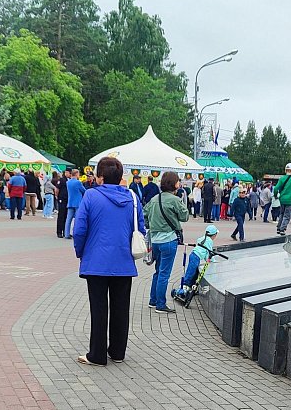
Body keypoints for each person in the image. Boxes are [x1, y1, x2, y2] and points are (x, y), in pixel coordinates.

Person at [72, 156, 146, 366]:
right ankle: (117, 352)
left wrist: (80, 252)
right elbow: (140, 228)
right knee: (121, 307)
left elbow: (79, 230)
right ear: (120, 177)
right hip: (123, 261)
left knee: (99, 308)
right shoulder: (132, 198)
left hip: (96, 261)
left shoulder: (90, 196)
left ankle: (97, 354)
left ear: (100, 177)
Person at [144, 171, 188, 313]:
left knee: (158, 272)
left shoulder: (155, 199)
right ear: (175, 184)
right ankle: (160, 305)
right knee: (164, 273)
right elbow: (185, 216)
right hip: (169, 240)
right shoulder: (175, 200)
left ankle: (153, 300)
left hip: (155, 240)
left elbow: (144, 215)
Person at [175, 225, 218, 297]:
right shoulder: (210, 241)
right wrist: (212, 261)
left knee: (194, 272)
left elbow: (201, 247)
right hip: (197, 257)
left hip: (193, 254)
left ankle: (190, 286)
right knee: (191, 272)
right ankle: (184, 286)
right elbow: (209, 252)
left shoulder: (202, 238)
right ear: (214, 235)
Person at [273, 163, 291, 235]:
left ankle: (278, 227)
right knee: (287, 215)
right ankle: (282, 229)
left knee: (282, 213)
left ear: (285, 170)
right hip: (290, 199)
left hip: (282, 199)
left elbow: (276, 188)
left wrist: (275, 196)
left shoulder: (282, 178)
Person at [65, 169, 86, 239]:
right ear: (76, 174)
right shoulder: (78, 182)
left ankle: (66, 234)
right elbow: (84, 191)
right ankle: (75, 233)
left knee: (68, 219)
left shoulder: (68, 182)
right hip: (77, 203)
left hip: (70, 202)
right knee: (77, 219)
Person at [56, 169, 69, 238]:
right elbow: (57, 189)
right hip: (62, 199)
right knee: (61, 215)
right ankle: (59, 232)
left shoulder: (68, 180)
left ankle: (65, 231)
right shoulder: (61, 180)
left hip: (67, 200)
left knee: (66, 216)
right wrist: (57, 196)